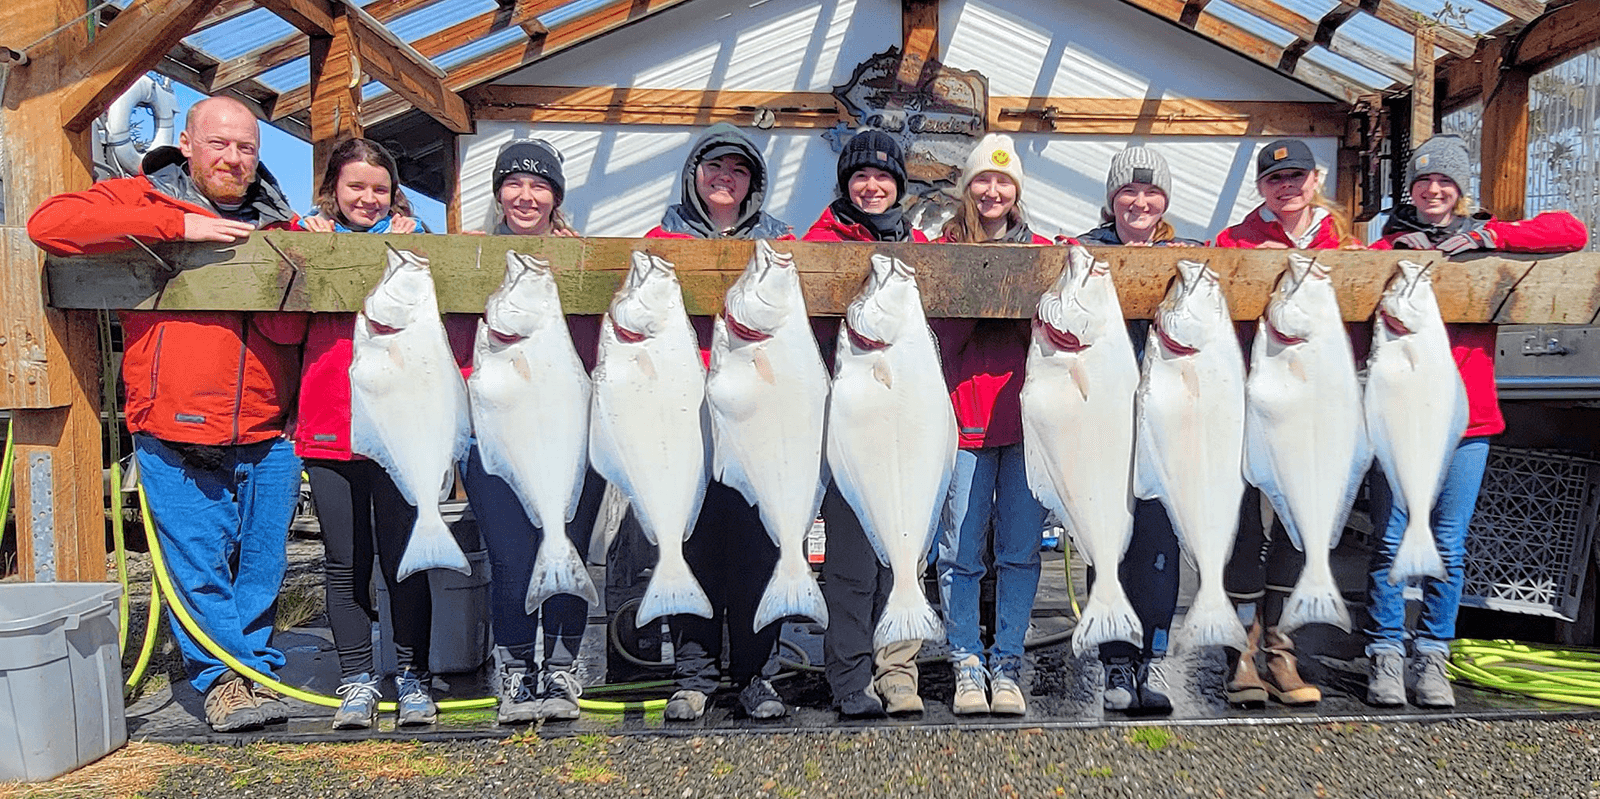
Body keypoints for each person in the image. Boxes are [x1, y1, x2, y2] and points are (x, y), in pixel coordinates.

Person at [28, 96, 307, 733]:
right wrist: (181, 230)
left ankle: (255, 669)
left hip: (269, 430)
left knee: (263, 566)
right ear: (186, 142)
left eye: (246, 147)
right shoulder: (143, 198)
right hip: (174, 428)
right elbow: (50, 222)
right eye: (219, 144)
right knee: (197, 566)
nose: (234, 158)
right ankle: (225, 682)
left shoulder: (281, 221)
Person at [1364, 134, 1587, 707]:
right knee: (1391, 540)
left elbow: (1572, 231)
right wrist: (1396, 255)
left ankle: (1432, 655)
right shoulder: (1387, 246)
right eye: (1423, 181)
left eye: (1445, 182)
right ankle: (1384, 653)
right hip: (1400, 418)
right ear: (1409, 190)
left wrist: (1490, 236)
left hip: (1470, 419)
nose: (1433, 191)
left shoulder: (1489, 242)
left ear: (1462, 192)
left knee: (1449, 542)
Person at [645, 122, 793, 721]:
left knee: (758, 544)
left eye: (737, 169)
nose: (724, 179)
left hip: (758, 415)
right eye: (713, 168)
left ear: (753, 182)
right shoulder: (662, 240)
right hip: (684, 418)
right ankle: (695, 674)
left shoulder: (782, 244)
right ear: (694, 176)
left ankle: (757, 675)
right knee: (693, 541)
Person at [462, 138, 606, 724]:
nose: (526, 196)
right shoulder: (467, 256)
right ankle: (518, 670)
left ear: (556, 196)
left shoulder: (581, 258)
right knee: (511, 557)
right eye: (514, 184)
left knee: (566, 548)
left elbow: (601, 345)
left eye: (539, 185)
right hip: (496, 433)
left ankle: (564, 667)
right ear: (498, 192)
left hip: (572, 434)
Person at [295, 138, 437, 730]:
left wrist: (416, 240)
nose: (368, 198)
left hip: (402, 424)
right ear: (333, 188)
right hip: (331, 424)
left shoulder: (416, 237)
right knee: (344, 559)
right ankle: (356, 677)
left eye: (380, 188)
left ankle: (411, 676)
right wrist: (305, 247)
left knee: (405, 554)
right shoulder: (306, 236)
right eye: (356, 186)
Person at [1213, 139, 1358, 708]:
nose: (1287, 187)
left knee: (1298, 525)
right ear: (1261, 188)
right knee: (1245, 532)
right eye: (1276, 179)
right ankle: (1241, 653)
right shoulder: (1234, 243)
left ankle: (1281, 647)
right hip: (1253, 407)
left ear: (1316, 178)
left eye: (1297, 176)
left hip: (1319, 409)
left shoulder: (1345, 244)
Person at [802, 130, 929, 718]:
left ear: (898, 186)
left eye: (883, 177)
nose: (873, 186)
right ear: (845, 184)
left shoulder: (923, 248)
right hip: (852, 429)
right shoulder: (819, 243)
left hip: (912, 426)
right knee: (852, 564)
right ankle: (851, 677)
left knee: (905, 559)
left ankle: (898, 672)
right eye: (861, 177)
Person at [1077, 146, 1203, 715]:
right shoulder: (1084, 257)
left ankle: (1151, 657)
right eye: (1128, 191)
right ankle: (1116, 662)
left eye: (1151, 193)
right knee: (1108, 541)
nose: (1140, 201)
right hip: (1103, 426)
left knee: (1159, 546)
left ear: (1165, 202)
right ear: (1112, 199)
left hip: (1164, 428)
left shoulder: (1184, 262)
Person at [934, 133, 1051, 717]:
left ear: (1017, 191)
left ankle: (1008, 660)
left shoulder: (1043, 254)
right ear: (967, 186)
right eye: (983, 178)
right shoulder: (940, 252)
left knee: (1021, 551)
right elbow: (934, 345)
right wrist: (978, 299)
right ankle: (965, 660)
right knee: (959, 550)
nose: (992, 190)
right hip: (963, 424)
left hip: (1029, 429)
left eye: (1004, 181)